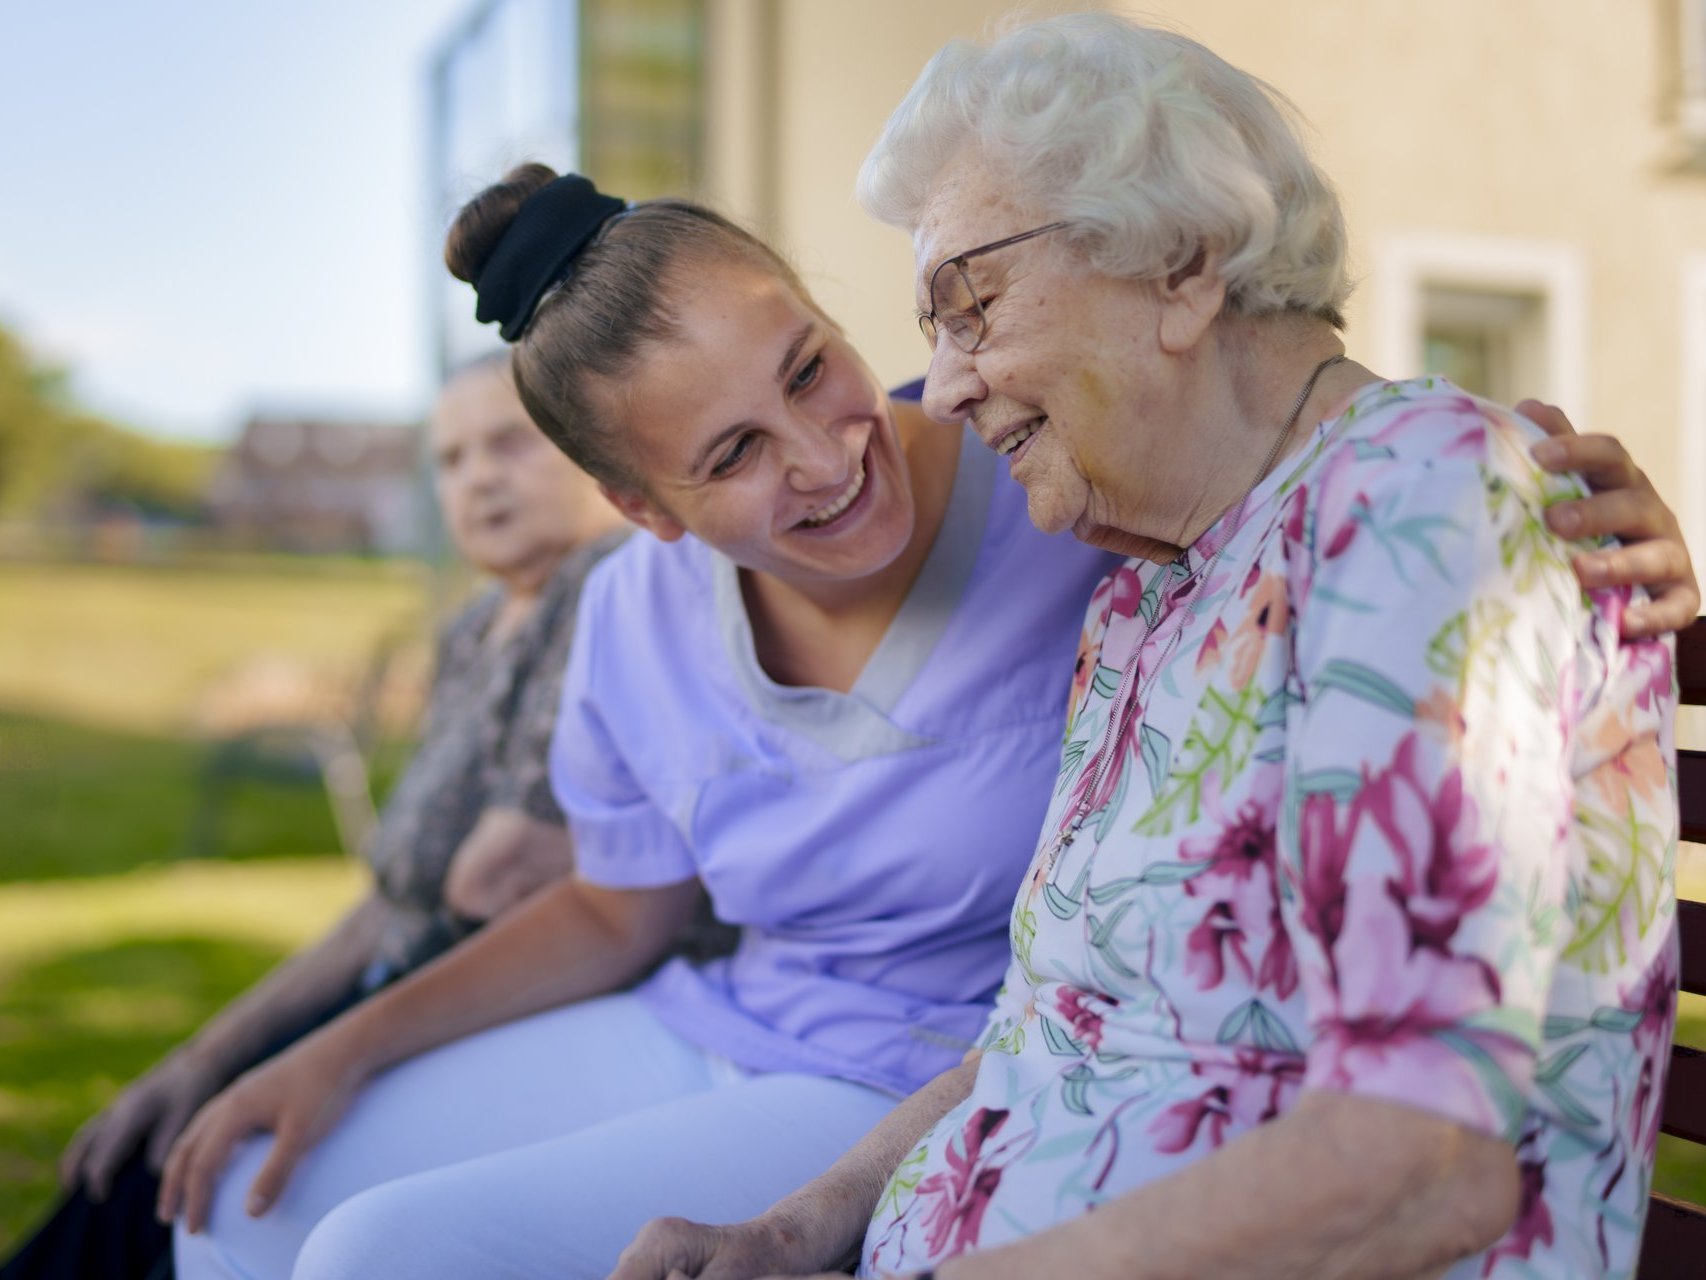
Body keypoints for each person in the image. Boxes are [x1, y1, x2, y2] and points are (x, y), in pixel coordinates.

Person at [161, 164, 1693, 1278]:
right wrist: (333, 1049)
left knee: (377, 1257)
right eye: (733, 455)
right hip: (718, 1029)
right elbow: (614, 913)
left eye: (811, 367)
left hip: (908, 1078)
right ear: (642, 509)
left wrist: (1540, 488)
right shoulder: (627, 614)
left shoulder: (1059, 483)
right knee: (242, 1208)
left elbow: (1305, 454)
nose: (830, 456)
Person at [609, 15, 1688, 1280]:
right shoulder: (1148, 597)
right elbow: (1050, 1029)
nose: (939, 389)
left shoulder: (1420, 499)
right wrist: (792, 1231)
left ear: (1181, 266)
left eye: (969, 307)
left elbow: (1422, 1154)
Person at [0, 353, 626, 1280]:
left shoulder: (606, 585)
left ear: (586, 448)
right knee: (149, 1145)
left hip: (489, 1009)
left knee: (191, 1180)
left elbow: (497, 879)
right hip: (395, 974)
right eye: (451, 459)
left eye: (511, 443)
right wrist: (205, 1052)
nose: (480, 476)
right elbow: (394, 896)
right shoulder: (473, 626)